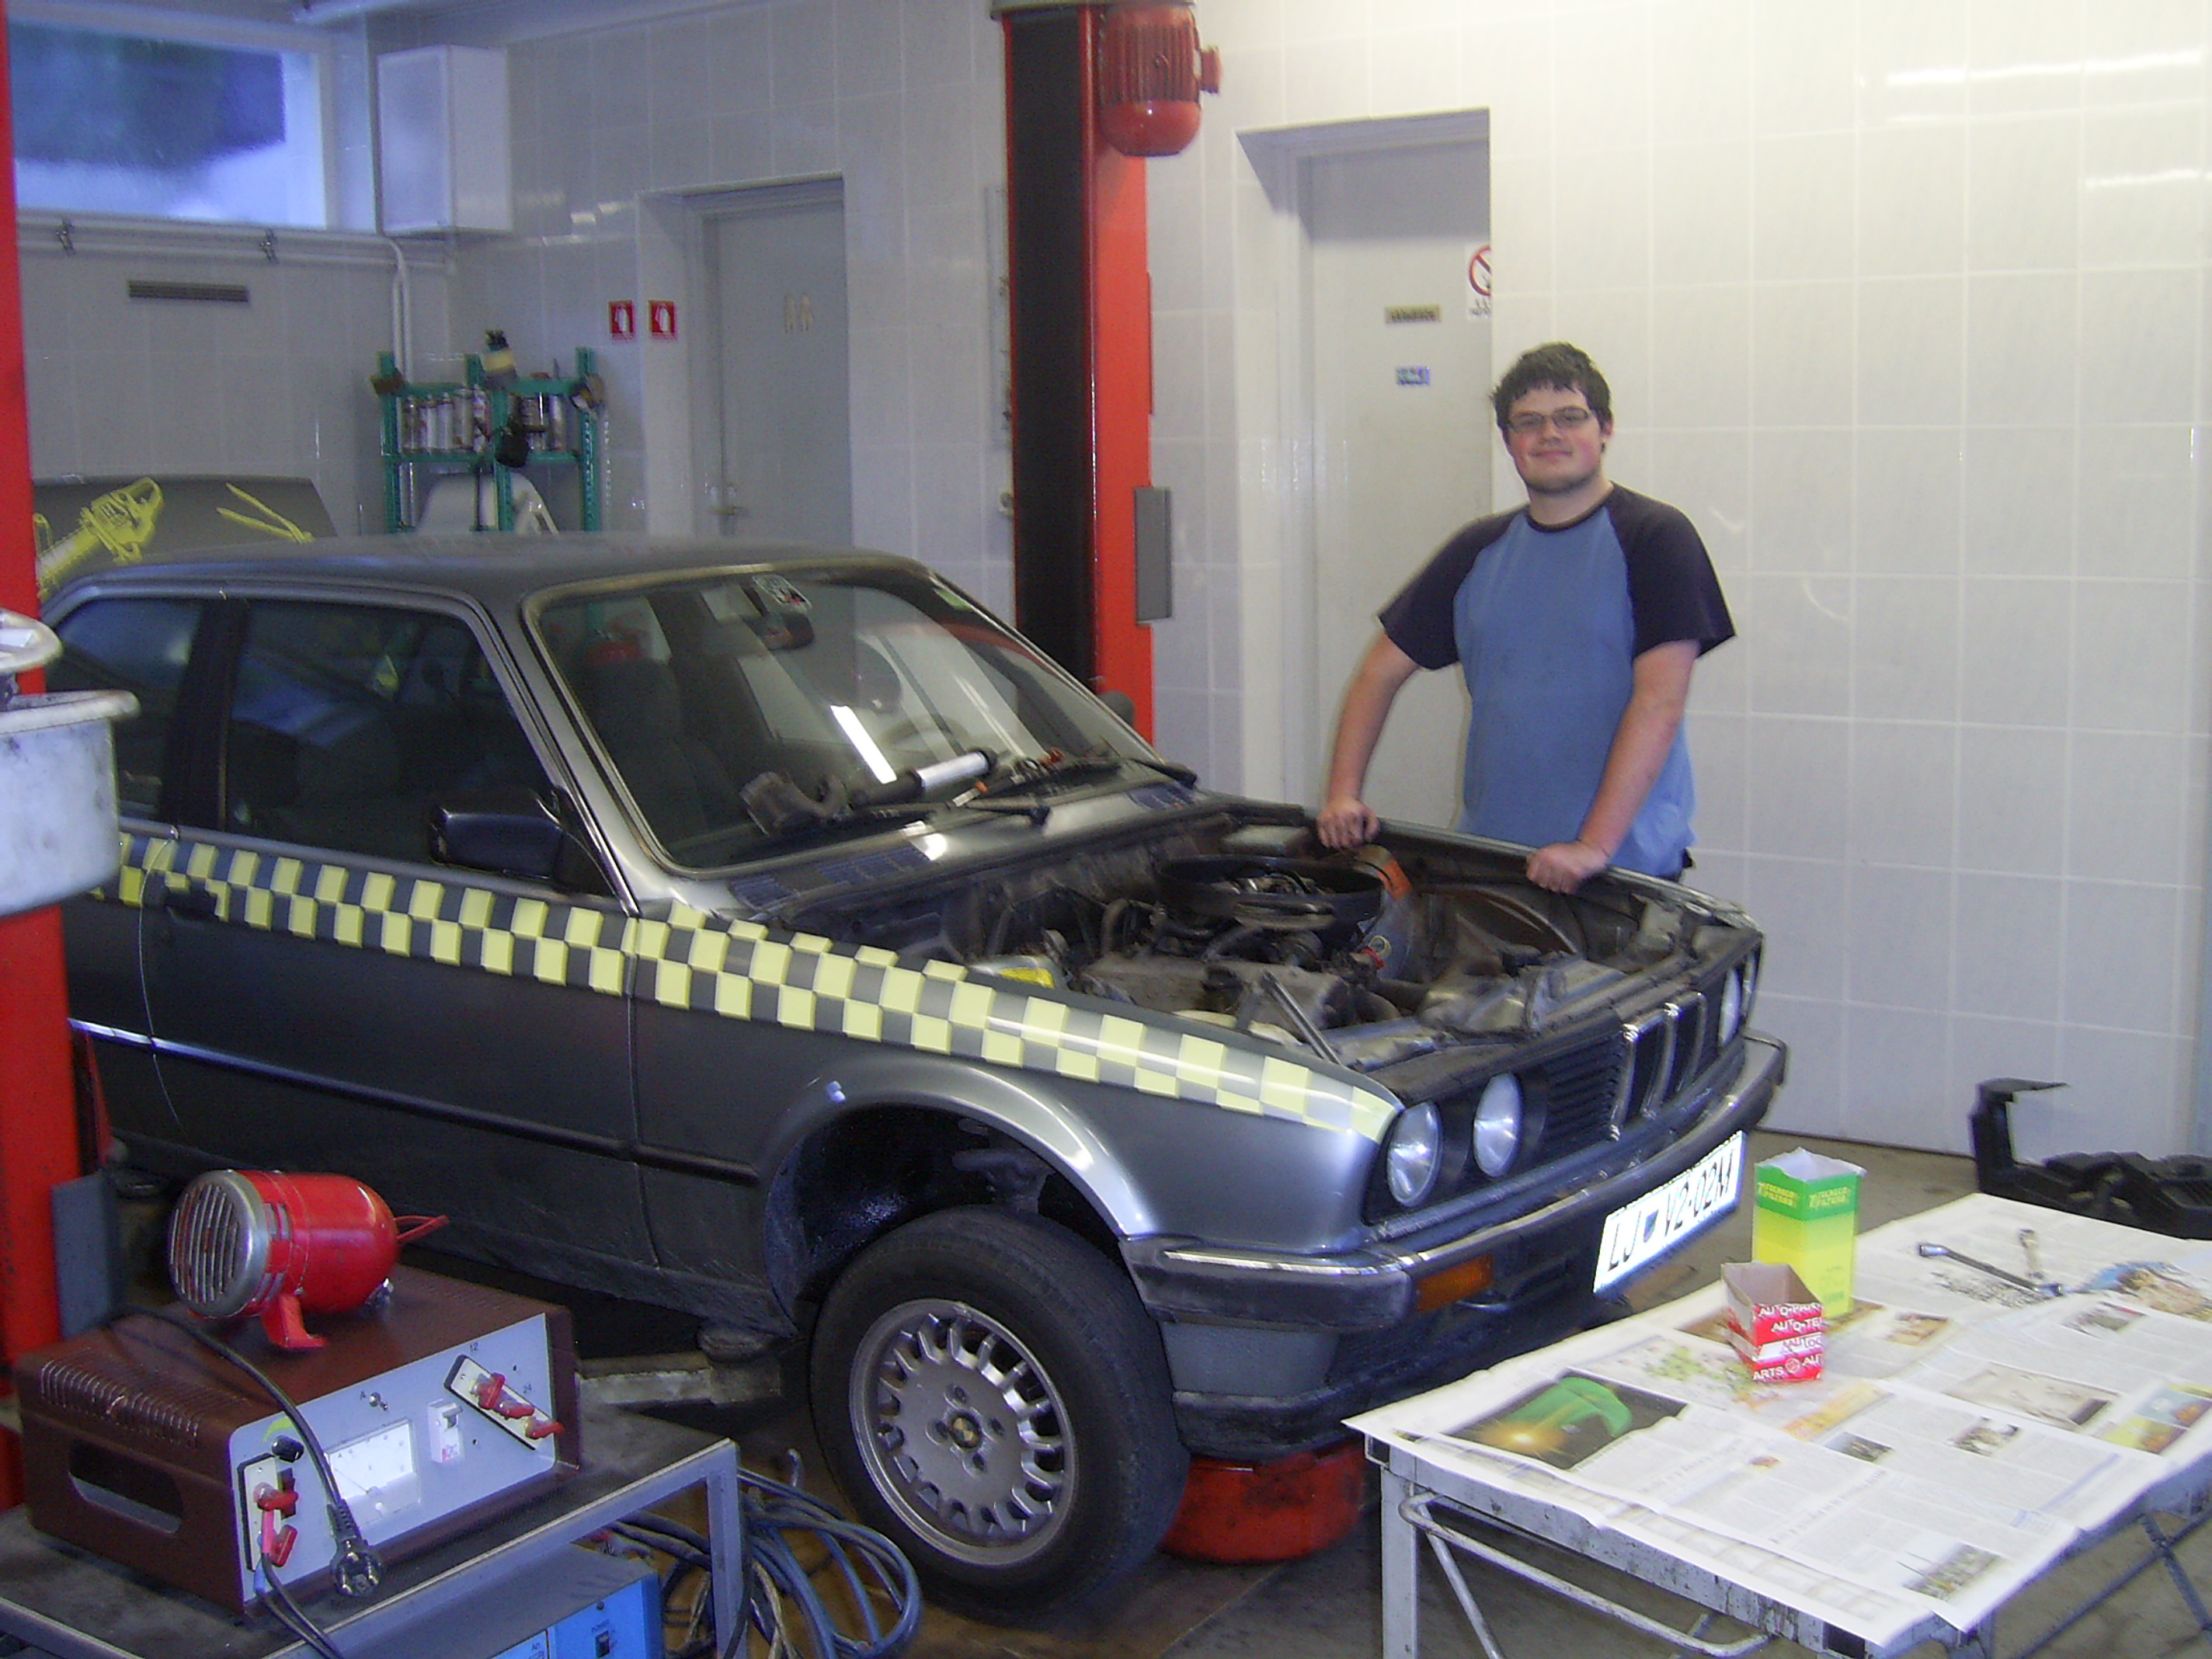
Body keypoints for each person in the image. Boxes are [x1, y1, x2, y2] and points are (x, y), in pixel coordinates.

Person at [1316, 342, 1734, 893]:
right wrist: (1343, 794)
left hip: (1620, 871)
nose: (1549, 434)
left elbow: (1659, 702)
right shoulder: (1477, 549)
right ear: (1508, 439)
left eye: (1570, 417)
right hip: (1492, 859)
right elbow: (1378, 673)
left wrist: (1593, 846)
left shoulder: (1656, 537)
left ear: (1605, 428)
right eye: (1529, 422)